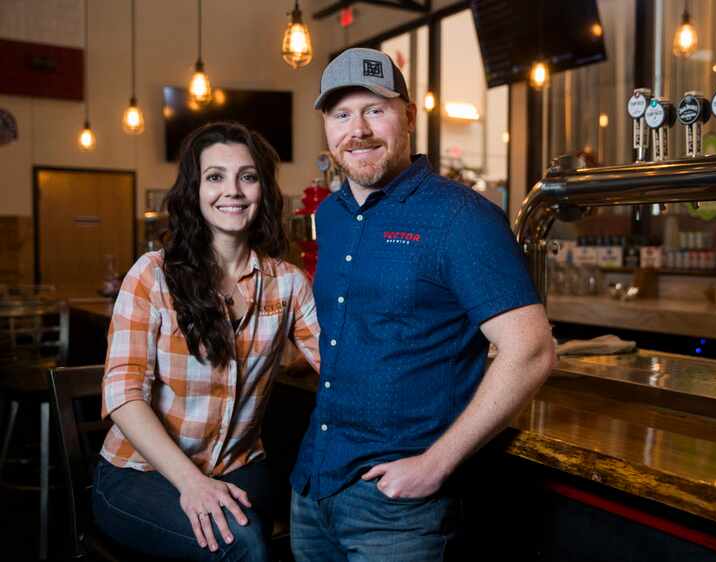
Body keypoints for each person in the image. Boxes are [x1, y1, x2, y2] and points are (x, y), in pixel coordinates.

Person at [289, 48, 558, 561]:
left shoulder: (461, 216)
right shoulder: (334, 215)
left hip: (397, 510)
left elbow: (531, 351)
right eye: (341, 114)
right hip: (314, 485)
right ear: (326, 127)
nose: (358, 129)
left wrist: (434, 464)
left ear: (409, 116)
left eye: (376, 109)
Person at [92, 122, 320, 561]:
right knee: (245, 545)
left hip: (239, 468)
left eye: (247, 177)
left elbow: (340, 366)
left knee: (304, 525)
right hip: (139, 474)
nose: (232, 191)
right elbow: (122, 394)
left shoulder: (287, 283)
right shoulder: (152, 275)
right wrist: (191, 484)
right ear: (194, 190)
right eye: (215, 177)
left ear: (263, 190)